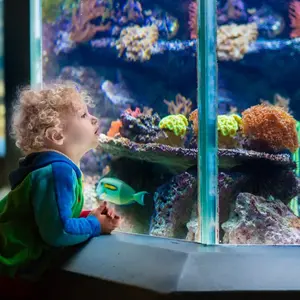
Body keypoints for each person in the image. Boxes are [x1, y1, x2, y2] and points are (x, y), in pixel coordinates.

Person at [0, 82, 121, 284]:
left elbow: (49, 216)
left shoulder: (52, 168)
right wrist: (95, 225)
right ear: (57, 135)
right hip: (8, 266)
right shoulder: (58, 172)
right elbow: (58, 231)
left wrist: (88, 215)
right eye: (83, 115)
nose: (94, 119)